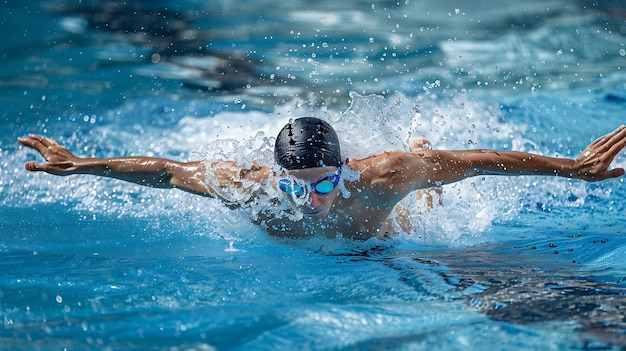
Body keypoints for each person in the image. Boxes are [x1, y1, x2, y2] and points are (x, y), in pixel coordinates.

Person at [18, 118, 626, 240]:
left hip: (391, 228)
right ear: (274, 177)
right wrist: (84, 165)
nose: (309, 199)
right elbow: (171, 173)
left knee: (432, 179)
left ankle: (421, 149)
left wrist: (573, 168)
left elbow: (478, 160)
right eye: (294, 185)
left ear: (342, 172)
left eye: (324, 183)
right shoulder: (249, 185)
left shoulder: (377, 176)